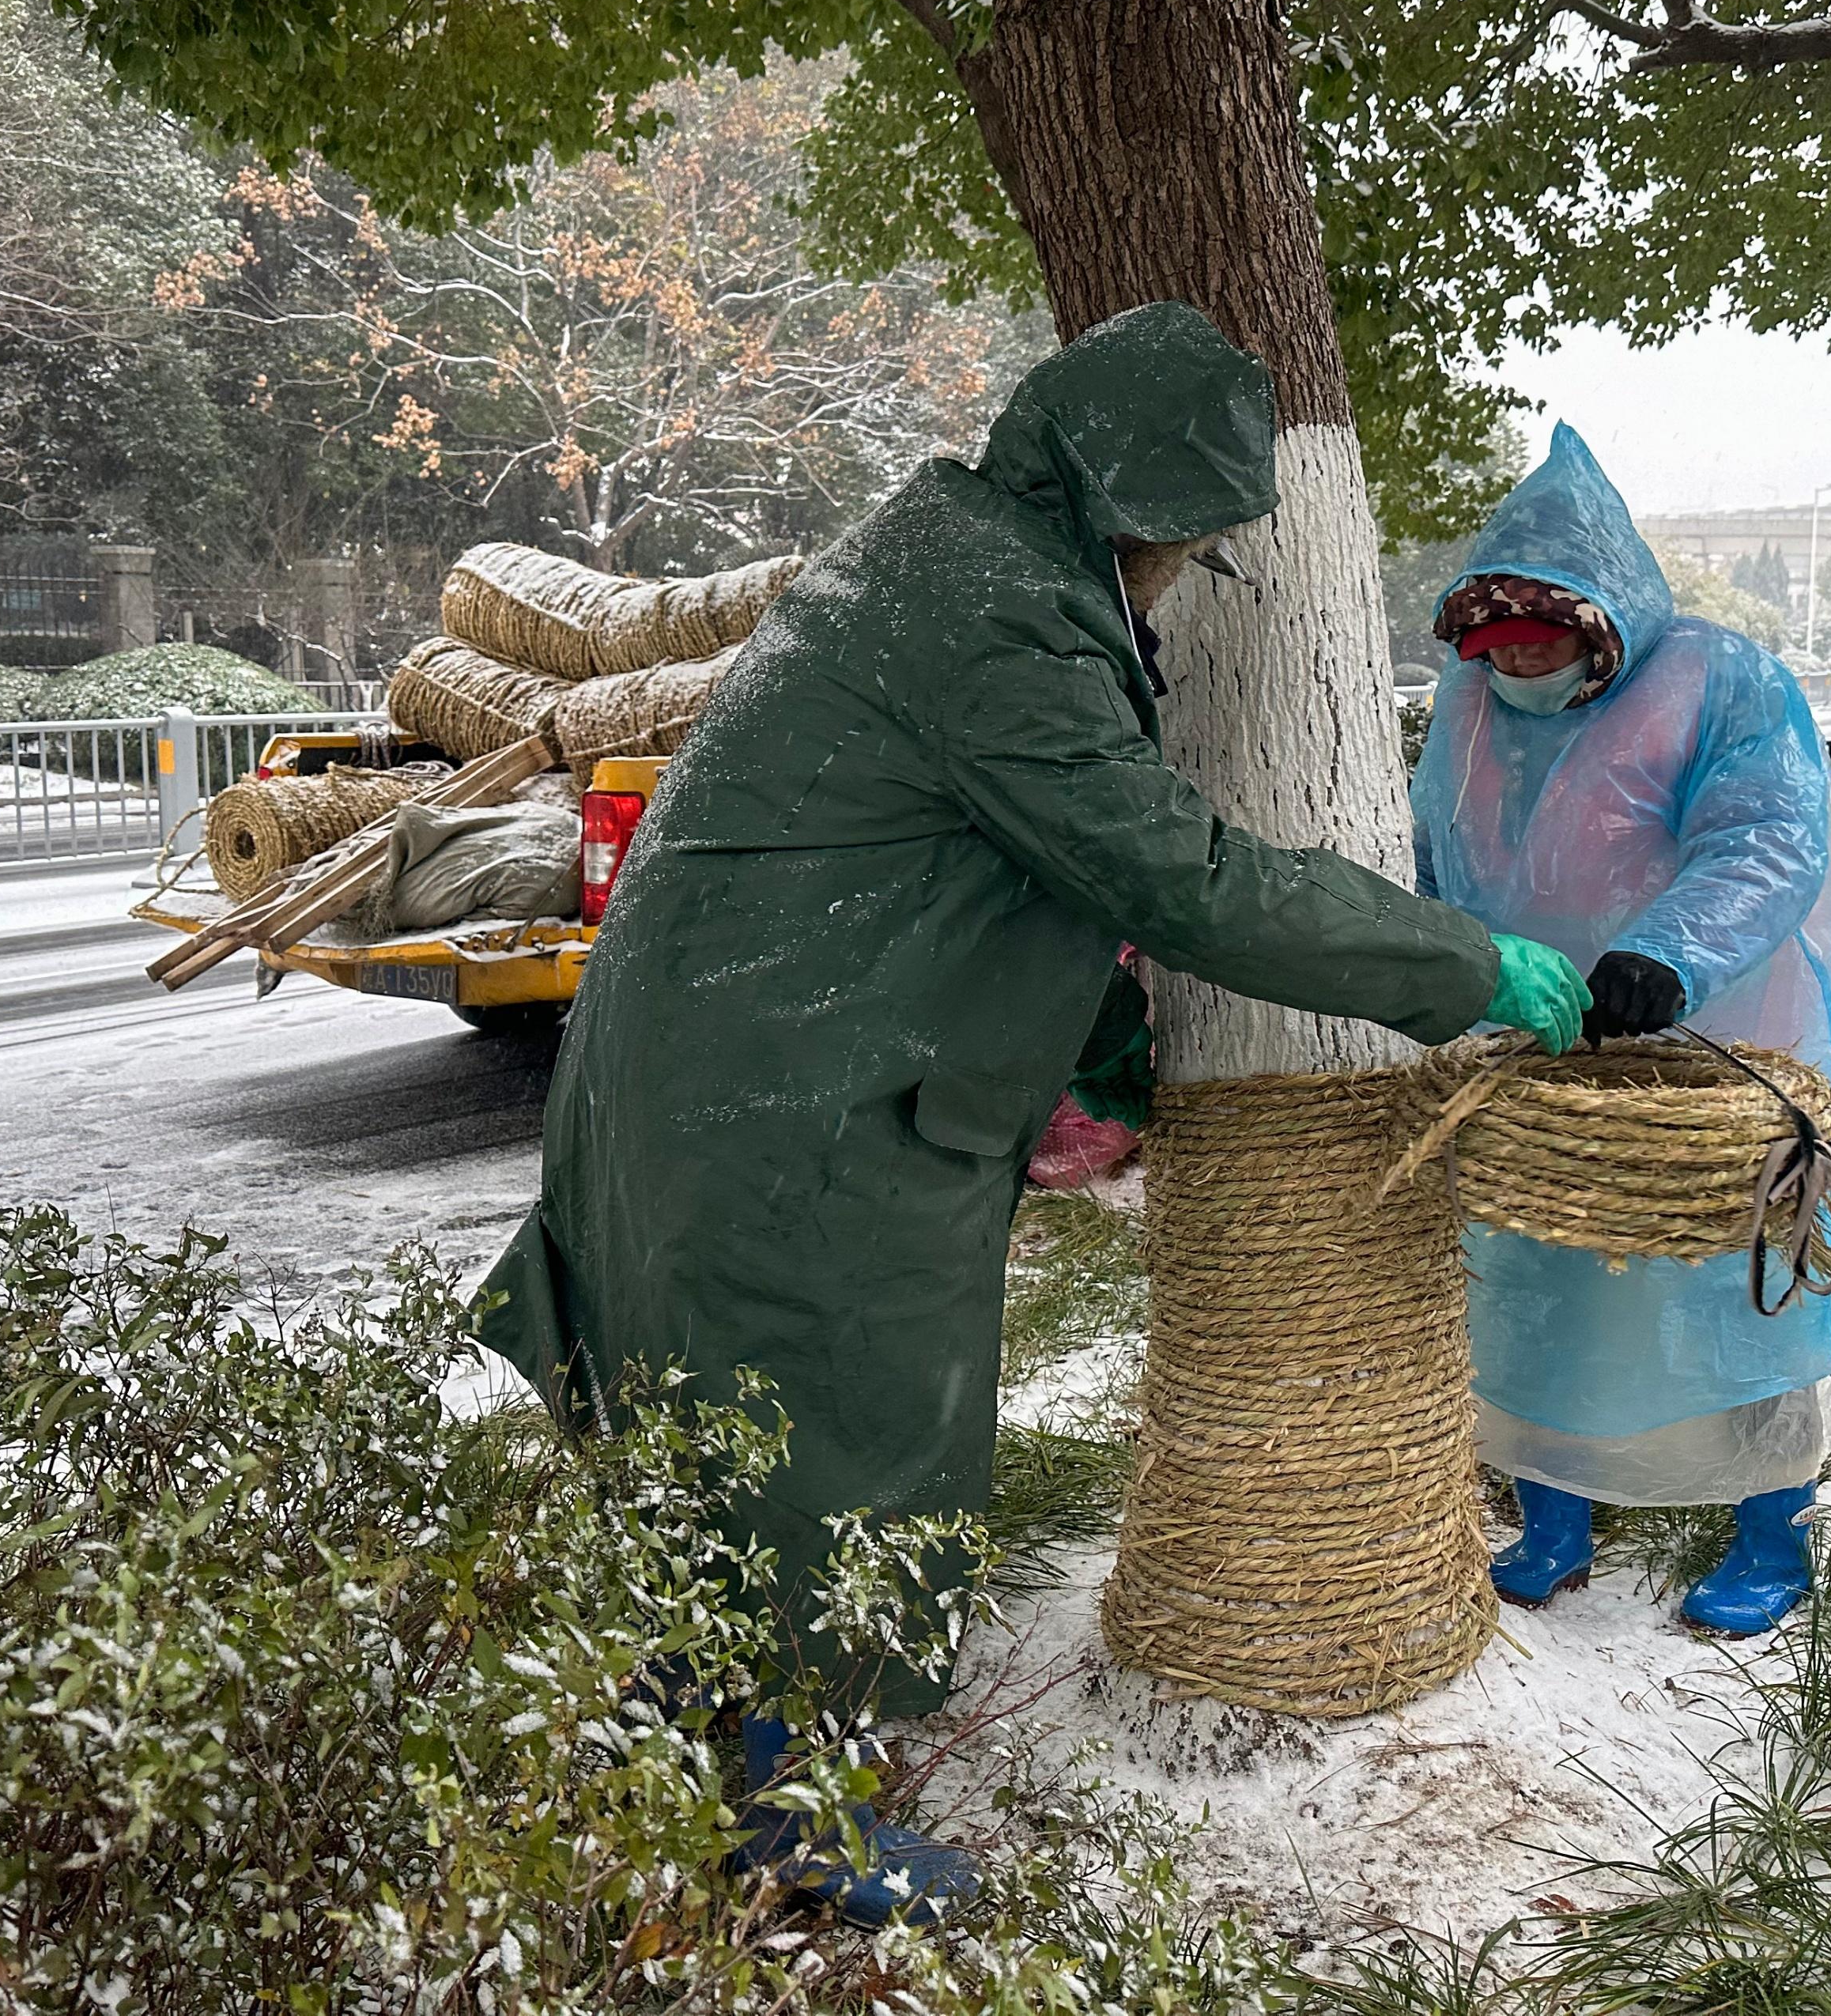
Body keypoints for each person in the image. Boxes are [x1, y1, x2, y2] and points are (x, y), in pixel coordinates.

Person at [476, 301, 1587, 1926]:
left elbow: (992, 863)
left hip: (730, 1065)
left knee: (717, 1428)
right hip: (799, 1103)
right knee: (838, 1438)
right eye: (1180, 538)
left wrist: (1102, 1041)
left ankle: (693, 1732)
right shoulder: (996, 611)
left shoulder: (960, 556)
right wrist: (1466, 961)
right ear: (1120, 504)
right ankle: (799, 1823)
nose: (1174, 569)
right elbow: (1165, 868)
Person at [1409, 424, 1831, 1639]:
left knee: (1736, 1281)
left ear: (1601, 622)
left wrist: (1669, 955)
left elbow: (1769, 834)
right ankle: (1554, 1514)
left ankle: (1773, 1535)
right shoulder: (1463, 710)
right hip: (1542, 1048)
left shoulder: (1723, 680)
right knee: (1539, 1265)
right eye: (1492, 646)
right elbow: (1436, 850)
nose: (1515, 665)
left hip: (1723, 1035)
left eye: (1540, 643)